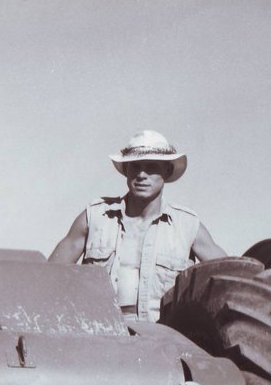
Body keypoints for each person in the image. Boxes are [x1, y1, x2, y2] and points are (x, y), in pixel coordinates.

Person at [49, 130, 225, 322]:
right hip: (99, 334)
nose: (142, 175)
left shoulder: (187, 226)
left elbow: (230, 278)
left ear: (167, 172)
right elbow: (48, 278)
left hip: (163, 340)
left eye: (151, 167)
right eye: (135, 167)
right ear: (126, 171)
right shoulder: (95, 218)